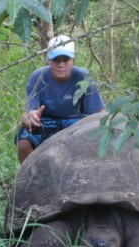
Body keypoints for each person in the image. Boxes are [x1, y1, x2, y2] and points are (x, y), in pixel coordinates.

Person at [15, 35, 106, 163]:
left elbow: (98, 113)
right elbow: (29, 113)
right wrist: (30, 119)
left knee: (98, 140)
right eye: (56, 60)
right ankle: (30, 179)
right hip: (46, 122)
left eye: (66, 60)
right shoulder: (38, 77)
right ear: (49, 59)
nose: (61, 65)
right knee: (23, 143)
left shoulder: (83, 76)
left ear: (73, 60)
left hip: (75, 121)